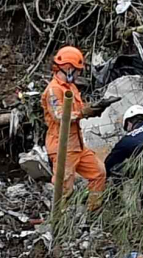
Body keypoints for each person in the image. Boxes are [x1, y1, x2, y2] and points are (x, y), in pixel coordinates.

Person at [40, 47, 105, 204]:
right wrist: (84, 113)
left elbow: (80, 110)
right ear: (68, 68)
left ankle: (93, 211)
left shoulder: (71, 87)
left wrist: (95, 108)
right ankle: (59, 217)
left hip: (77, 145)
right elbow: (59, 116)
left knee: (98, 173)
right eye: (77, 71)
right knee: (64, 190)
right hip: (62, 147)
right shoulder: (54, 90)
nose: (78, 74)